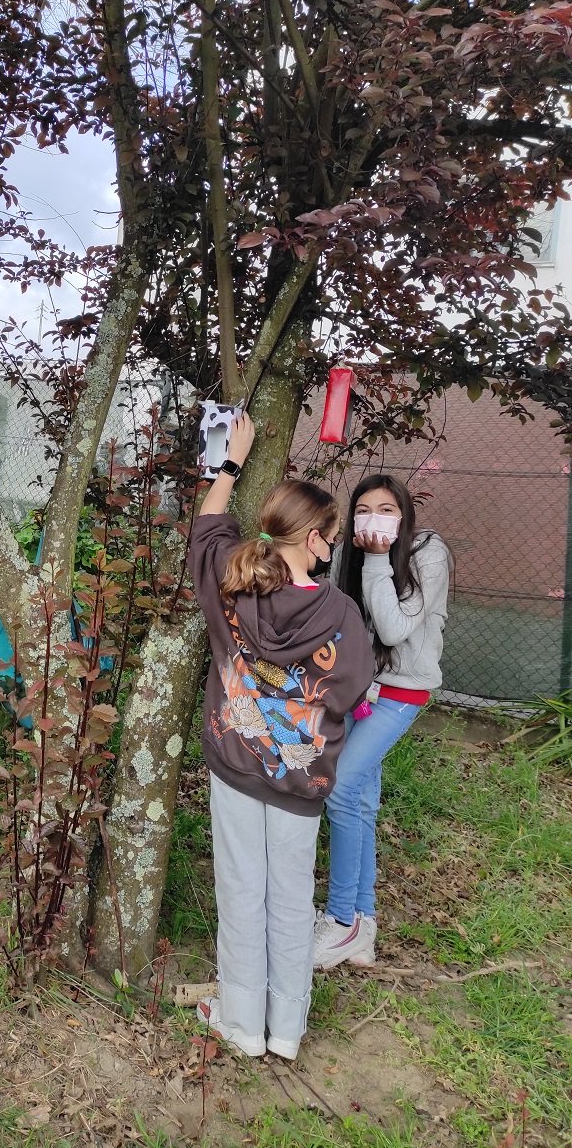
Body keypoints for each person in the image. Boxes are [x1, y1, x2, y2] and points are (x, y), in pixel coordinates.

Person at [187, 415, 373, 1061]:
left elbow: (207, 530)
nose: (332, 549)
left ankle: (240, 1024)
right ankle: (286, 1030)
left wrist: (232, 462)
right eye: (331, 539)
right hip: (300, 776)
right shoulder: (341, 614)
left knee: (240, 887)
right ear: (316, 540)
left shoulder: (231, 585)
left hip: (238, 761)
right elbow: (350, 693)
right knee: (291, 897)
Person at [314, 474, 451, 971]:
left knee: (342, 789)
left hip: (400, 693)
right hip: (359, 690)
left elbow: (393, 627)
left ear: (405, 514)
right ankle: (363, 925)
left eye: (388, 509)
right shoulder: (351, 556)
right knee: (362, 802)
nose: (376, 518)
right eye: (365, 509)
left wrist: (375, 558)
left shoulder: (428, 552)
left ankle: (340, 921)